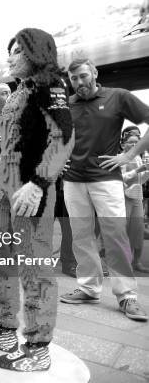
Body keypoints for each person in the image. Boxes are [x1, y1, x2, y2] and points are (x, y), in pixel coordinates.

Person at [0, 28, 74, 371]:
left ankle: (38, 346)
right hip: (5, 188)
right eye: (9, 51)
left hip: (32, 191)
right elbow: (10, 147)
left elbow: (64, 138)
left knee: (34, 265)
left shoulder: (50, 86)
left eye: (16, 51)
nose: (9, 57)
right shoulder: (21, 90)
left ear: (35, 53)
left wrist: (40, 182)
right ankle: (4, 329)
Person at [59, 57, 149, 322]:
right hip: (73, 180)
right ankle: (88, 288)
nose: (79, 83)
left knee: (115, 236)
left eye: (84, 76)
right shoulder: (67, 104)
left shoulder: (118, 97)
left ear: (95, 73)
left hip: (106, 179)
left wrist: (128, 155)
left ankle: (127, 296)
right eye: (74, 79)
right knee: (81, 236)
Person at [120, 130, 149, 273]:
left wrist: (147, 172)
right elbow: (120, 178)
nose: (133, 144)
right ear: (123, 144)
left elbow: (141, 180)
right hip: (123, 198)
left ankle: (136, 262)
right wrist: (138, 170)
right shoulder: (120, 158)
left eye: (136, 142)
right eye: (130, 142)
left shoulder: (139, 158)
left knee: (137, 231)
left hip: (137, 197)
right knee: (123, 231)